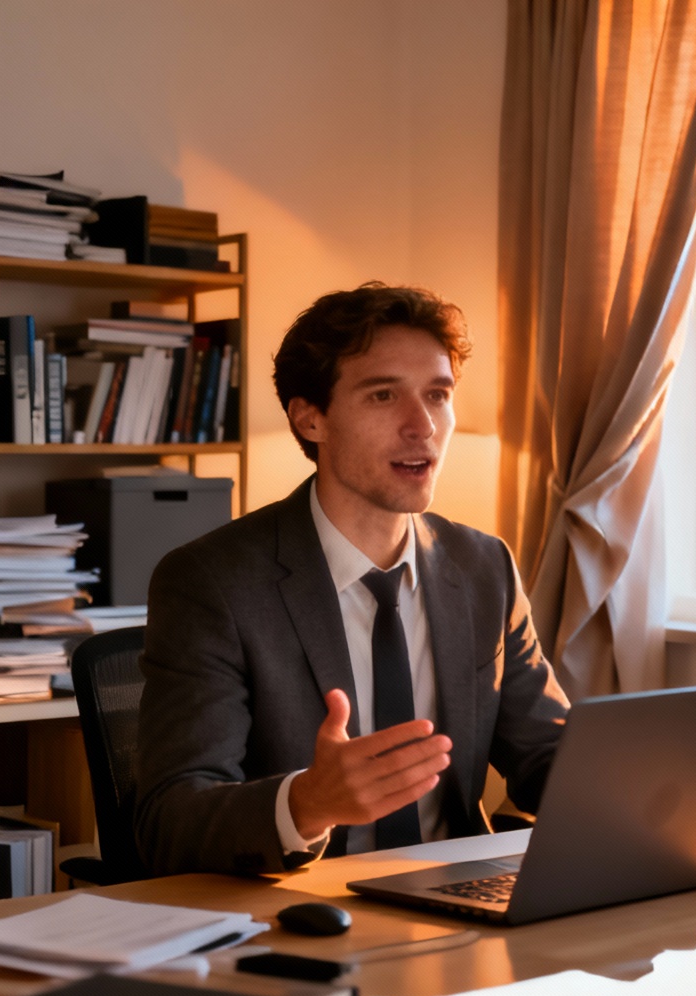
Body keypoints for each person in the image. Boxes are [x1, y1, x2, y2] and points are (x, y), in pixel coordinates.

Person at [134, 284, 570, 876]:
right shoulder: (212, 582)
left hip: (457, 900)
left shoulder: (483, 567)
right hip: (300, 907)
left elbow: (547, 755)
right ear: (310, 418)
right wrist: (305, 804)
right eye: (383, 395)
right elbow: (167, 821)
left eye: (438, 395)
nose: (423, 426)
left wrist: (646, 785)